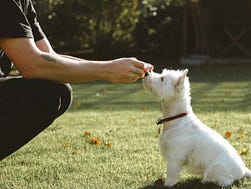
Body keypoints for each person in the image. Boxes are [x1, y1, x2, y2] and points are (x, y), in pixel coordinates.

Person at [0, 0, 154, 160]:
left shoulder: (22, 4)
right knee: (49, 95)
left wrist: (110, 65)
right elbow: (32, 65)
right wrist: (107, 70)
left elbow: (49, 57)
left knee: (59, 92)